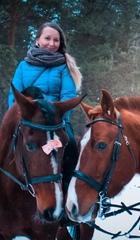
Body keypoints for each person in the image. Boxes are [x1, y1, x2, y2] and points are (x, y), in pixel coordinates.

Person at [8, 22, 82, 238]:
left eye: (56, 40)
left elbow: (68, 96)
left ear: (60, 44)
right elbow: (14, 96)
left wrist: (56, 117)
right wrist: (22, 117)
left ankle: (68, 199)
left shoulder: (62, 67)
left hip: (54, 121)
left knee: (71, 144)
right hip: (28, 121)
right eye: (47, 38)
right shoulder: (23, 66)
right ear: (37, 40)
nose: (52, 43)